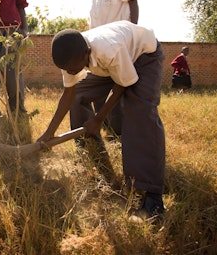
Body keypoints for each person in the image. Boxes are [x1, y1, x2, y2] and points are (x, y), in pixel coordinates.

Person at [37, 21, 166, 221]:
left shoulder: (108, 49)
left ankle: (152, 198)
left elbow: (121, 84)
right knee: (79, 96)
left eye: (72, 69)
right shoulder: (70, 55)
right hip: (113, 63)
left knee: (139, 112)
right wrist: (49, 133)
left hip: (143, 56)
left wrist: (98, 119)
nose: (70, 73)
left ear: (86, 53)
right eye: (65, 69)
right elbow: (69, 93)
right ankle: (95, 158)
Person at [81, 0, 144, 137]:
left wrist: (131, 34)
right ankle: (105, 129)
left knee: (121, 87)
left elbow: (133, 5)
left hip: (120, 45)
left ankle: (121, 133)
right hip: (100, 48)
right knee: (100, 89)